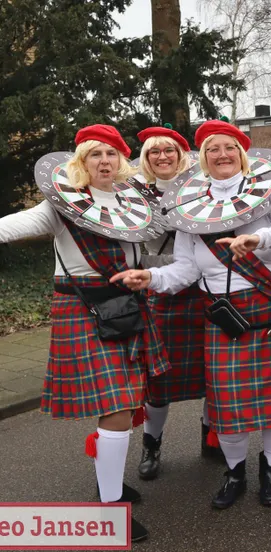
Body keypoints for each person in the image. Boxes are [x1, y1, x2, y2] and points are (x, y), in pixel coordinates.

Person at [112, 120, 271, 509]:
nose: (222, 155)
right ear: (203, 159)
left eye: (229, 147)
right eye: (213, 149)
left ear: (242, 154)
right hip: (225, 322)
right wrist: (149, 276)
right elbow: (185, 270)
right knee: (227, 408)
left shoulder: (270, 192)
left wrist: (261, 238)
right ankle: (235, 473)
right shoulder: (190, 209)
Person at [0, 124, 170, 542]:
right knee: (116, 405)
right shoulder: (60, 206)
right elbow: (9, 227)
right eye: (95, 155)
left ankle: (107, 482)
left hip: (130, 306)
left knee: (127, 403)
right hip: (83, 308)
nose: (104, 161)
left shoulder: (139, 201)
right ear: (80, 163)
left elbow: (159, 248)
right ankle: (111, 507)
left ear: (122, 161)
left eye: (111, 154)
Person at [132, 124, 222, 481]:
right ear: (146, 158)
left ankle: (210, 437)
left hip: (201, 289)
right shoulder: (131, 194)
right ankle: (151, 445)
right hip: (157, 289)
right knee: (159, 379)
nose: (163, 156)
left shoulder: (204, 191)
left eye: (169, 149)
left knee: (210, 370)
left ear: (182, 156)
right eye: (155, 151)